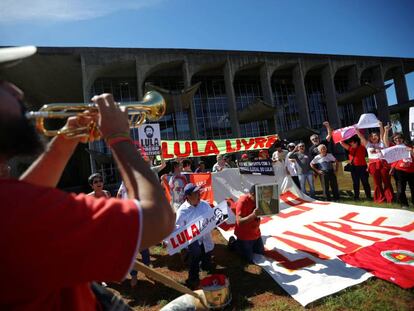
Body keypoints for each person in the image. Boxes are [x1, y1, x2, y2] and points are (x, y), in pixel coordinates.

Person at [0, 46, 175, 310]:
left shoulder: (14, 207)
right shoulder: (15, 210)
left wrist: (65, 142)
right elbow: (158, 219)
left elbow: (25, 197)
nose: (17, 91)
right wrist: (118, 137)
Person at [175, 183, 214, 289]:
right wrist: (180, 247)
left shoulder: (205, 205)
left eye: (198, 192)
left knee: (207, 255)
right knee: (195, 256)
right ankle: (193, 278)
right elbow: (178, 230)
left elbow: (213, 219)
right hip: (192, 240)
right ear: (188, 196)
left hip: (205, 238)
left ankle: (206, 265)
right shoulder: (182, 211)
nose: (199, 194)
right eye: (195, 193)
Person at [355, 123, 393, 203]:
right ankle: (380, 198)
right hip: (373, 165)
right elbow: (361, 137)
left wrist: (380, 126)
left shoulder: (382, 142)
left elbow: (383, 133)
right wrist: (356, 130)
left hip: (383, 163)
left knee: (386, 181)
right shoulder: (368, 144)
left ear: (379, 136)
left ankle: (389, 198)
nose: (374, 137)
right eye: (372, 136)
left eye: (375, 135)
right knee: (377, 182)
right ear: (369, 138)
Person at [234, 185, 264, 263]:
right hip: (244, 236)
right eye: (259, 196)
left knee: (260, 252)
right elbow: (239, 222)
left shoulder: (258, 200)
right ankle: (234, 244)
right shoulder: (243, 201)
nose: (261, 199)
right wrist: (253, 215)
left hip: (256, 234)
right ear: (253, 194)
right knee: (248, 260)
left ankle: (241, 246)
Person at [384, 132, 414, 209]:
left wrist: (411, 151)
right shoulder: (393, 148)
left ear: (403, 139)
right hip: (399, 171)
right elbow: (385, 141)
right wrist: (386, 130)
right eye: (395, 139)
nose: (398, 140)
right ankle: (404, 204)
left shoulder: (409, 146)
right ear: (394, 141)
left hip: (412, 171)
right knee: (400, 190)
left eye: (399, 138)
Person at [340, 136, 372, 200]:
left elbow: (363, 140)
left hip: (363, 167)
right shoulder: (350, 148)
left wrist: (357, 131)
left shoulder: (362, 147)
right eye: (350, 142)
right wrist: (341, 135)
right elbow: (341, 143)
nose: (350, 143)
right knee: (355, 183)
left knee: (365, 183)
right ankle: (356, 197)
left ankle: (368, 197)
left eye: (352, 142)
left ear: (356, 142)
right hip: (354, 168)